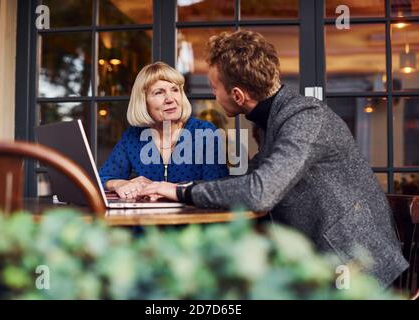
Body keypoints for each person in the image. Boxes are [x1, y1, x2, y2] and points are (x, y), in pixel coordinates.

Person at [139, 30, 409, 287]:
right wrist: (169, 189)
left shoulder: (305, 118)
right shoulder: (274, 120)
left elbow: (260, 191)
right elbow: (251, 177)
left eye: (214, 87)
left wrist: (179, 191)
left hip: (359, 269)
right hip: (324, 260)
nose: (212, 95)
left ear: (238, 96)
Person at [99, 61, 228, 199]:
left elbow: (217, 186)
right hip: (146, 219)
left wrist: (165, 189)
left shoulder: (204, 132)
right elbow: (101, 178)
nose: (170, 99)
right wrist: (119, 183)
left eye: (174, 90)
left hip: (193, 217)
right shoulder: (133, 136)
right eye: (159, 92)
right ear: (143, 102)